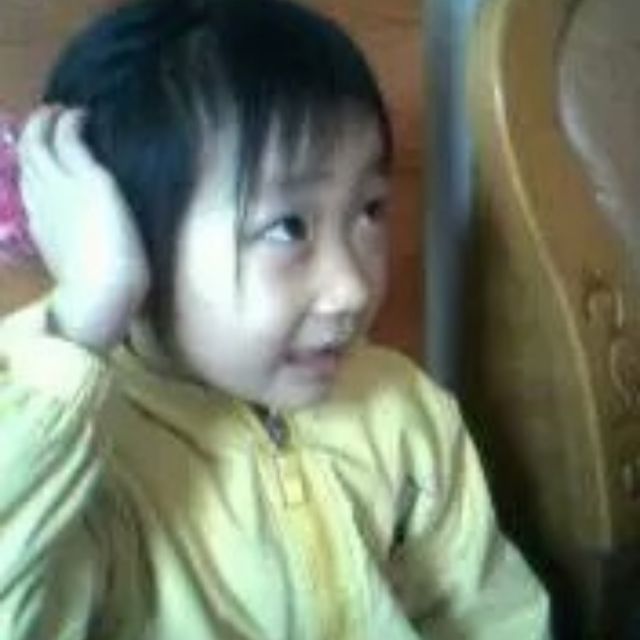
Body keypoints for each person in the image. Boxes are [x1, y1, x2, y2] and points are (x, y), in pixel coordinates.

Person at [0, 0, 550, 637]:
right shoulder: (76, 455)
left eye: (370, 209)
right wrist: (88, 310)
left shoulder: (403, 409)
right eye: (288, 227)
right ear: (125, 237)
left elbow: (492, 615)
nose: (351, 288)